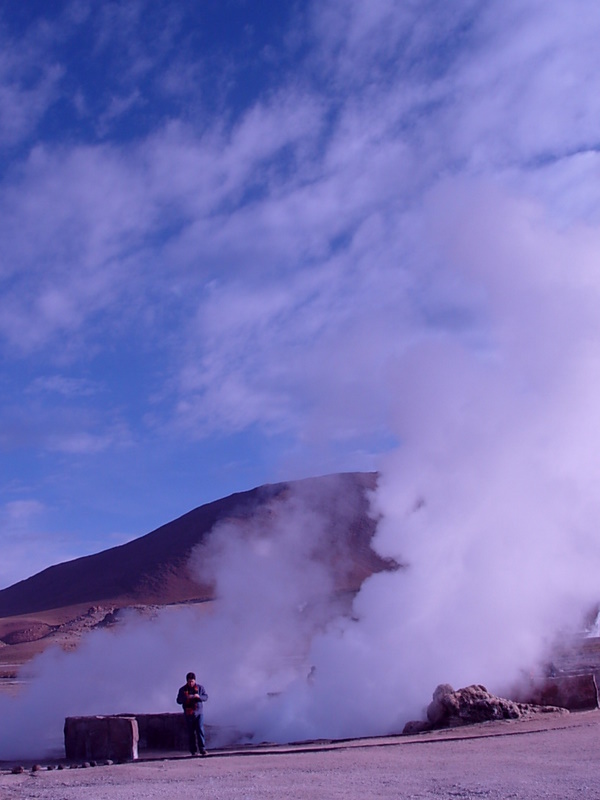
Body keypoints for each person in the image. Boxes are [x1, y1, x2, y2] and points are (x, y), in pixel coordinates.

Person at [176, 671, 209, 756]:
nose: (191, 683)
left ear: (195, 681)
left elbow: (206, 697)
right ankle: (193, 751)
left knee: (200, 731)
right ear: (187, 681)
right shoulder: (182, 690)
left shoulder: (200, 688)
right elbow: (178, 700)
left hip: (199, 713)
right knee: (191, 733)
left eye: (192, 681)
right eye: (189, 681)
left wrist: (199, 697)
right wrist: (186, 698)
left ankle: (202, 749)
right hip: (188, 714)